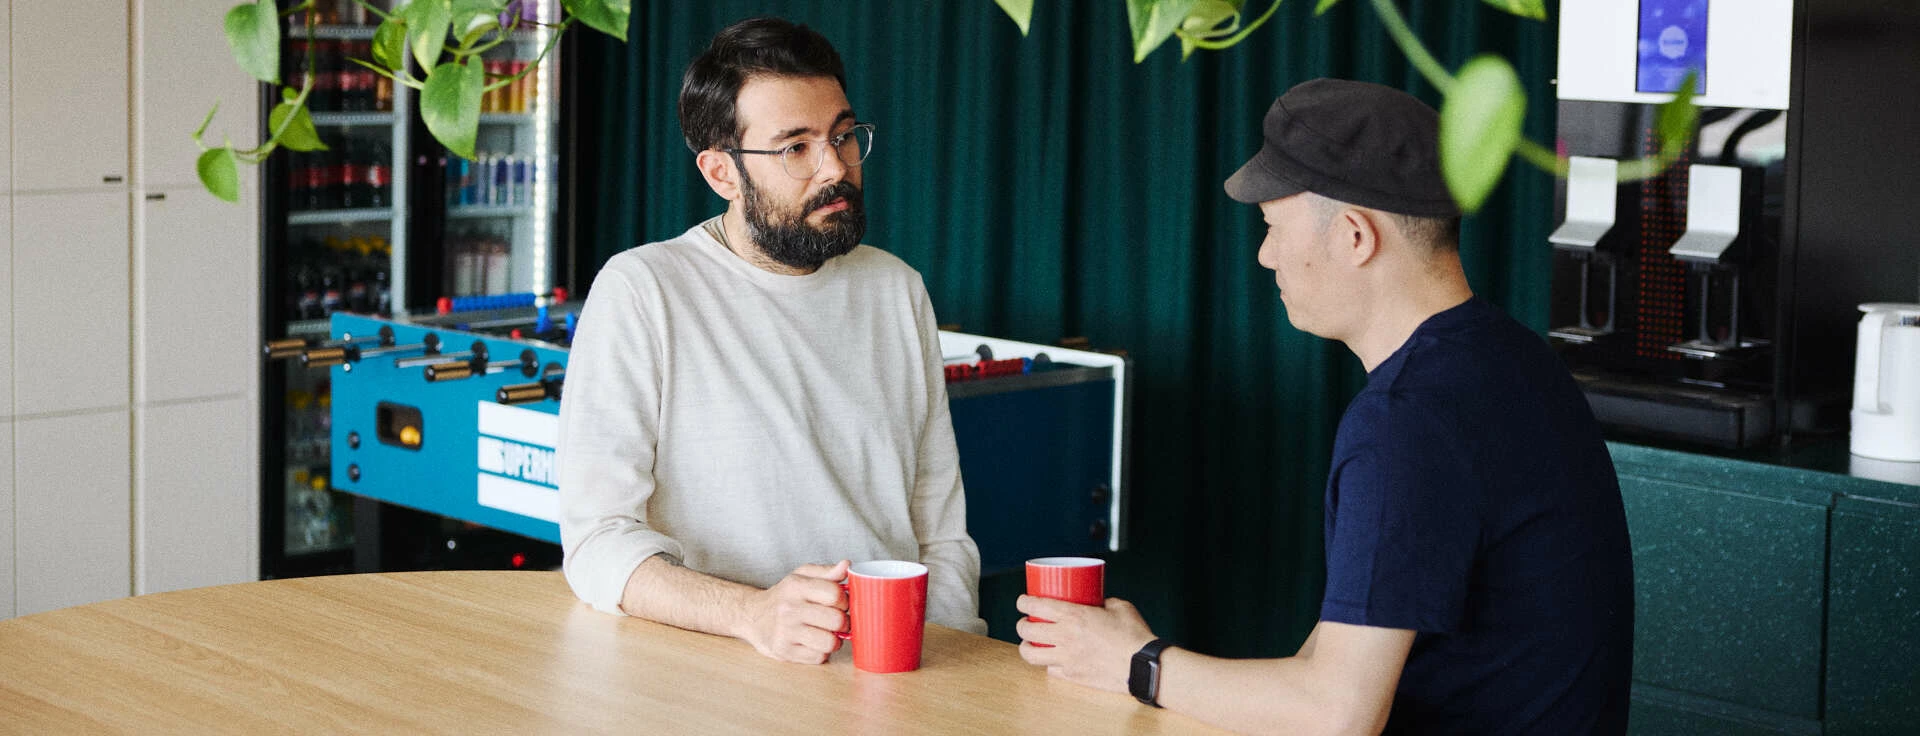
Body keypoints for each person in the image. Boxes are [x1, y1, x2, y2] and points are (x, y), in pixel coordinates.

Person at [1015, 79, 1635, 734]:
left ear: (1354, 236)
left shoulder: (1409, 420)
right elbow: (1339, 653)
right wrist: (1136, 659)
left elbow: (1339, 715)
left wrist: (1137, 664)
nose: (1264, 255)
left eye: (1273, 228)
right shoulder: (1510, 360)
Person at [558, 17, 986, 665]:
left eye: (843, 136)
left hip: (891, 668)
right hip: (718, 670)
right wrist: (753, 615)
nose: (834, 168)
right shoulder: (644, 291)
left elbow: (941, 532)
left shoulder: (897, 288)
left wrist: (941, 655)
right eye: (795, 148)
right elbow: (597, 542)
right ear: (721, 173)